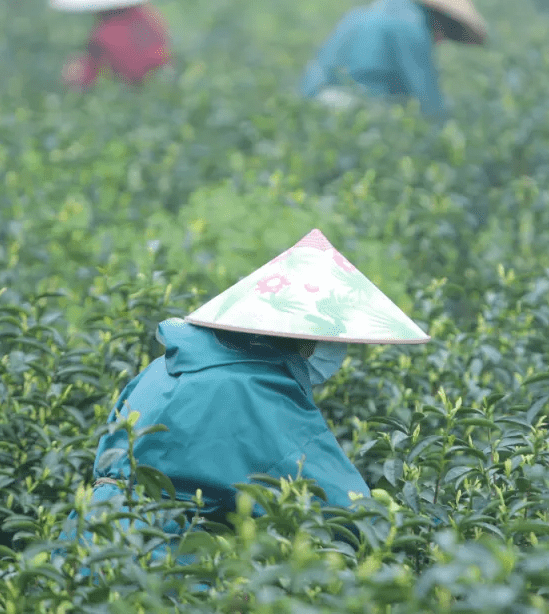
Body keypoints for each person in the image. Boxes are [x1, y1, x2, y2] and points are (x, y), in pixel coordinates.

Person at [59, 228, 431, 568]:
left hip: (84, 542)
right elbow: (345, 510)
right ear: (303, 340)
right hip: (155, 558)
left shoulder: (166, 364)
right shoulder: (256, 389)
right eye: (331, 342)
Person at [299, 0, 487, 121]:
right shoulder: (411, 27)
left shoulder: (358, 14)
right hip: (357, 110)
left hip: (316, 104)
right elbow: (427, 97)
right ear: (439, 21)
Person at [48, 0, 171, 91]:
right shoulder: (149, 15)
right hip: (160, 82)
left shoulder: (104, 34)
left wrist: (77, 75)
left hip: (133, 88)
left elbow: (97, 72)